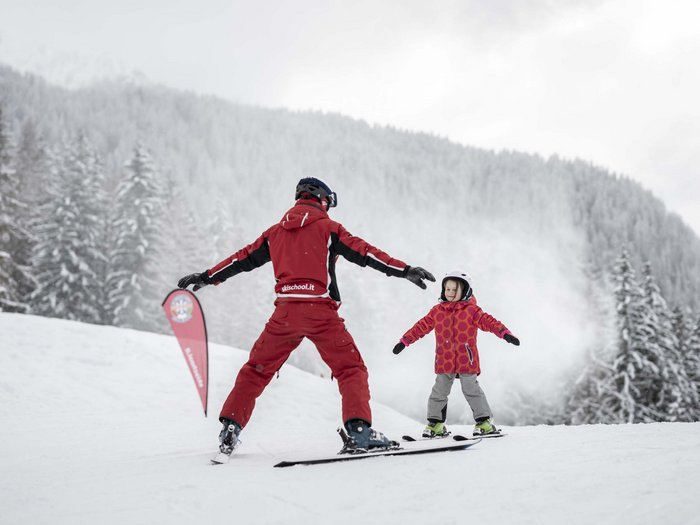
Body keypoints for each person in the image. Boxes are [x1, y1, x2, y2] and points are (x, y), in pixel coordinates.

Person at [177, 177, 435, 456]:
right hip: (320, 312)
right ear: (324, 200)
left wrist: (206, 277)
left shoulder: (274, 232)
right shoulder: (329, 229)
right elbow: (366, 253)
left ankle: (230, 428)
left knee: (256, 369)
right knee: (350, 369)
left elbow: (241, 259)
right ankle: (360, 432)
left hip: (285, 313)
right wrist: (404, 269)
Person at [392, 269, 520, 437]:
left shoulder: (472, 311)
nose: (450, 293)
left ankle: (484, 423)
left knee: (471, 389)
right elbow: (421, 327)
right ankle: (435, 424)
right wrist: (405, 341)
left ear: (465, 290)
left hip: (467, 359)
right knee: (439, 391)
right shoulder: (437, 311)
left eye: (455, 289)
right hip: (444, 360)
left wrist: (505, 333)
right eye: (448, 289)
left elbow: (490, 322)